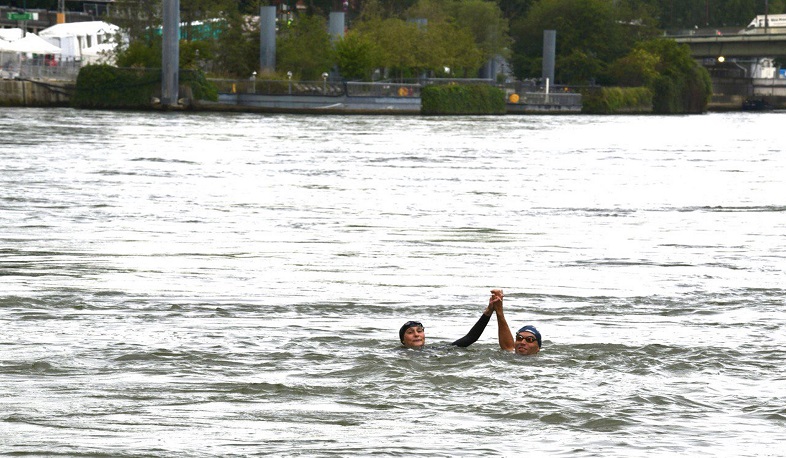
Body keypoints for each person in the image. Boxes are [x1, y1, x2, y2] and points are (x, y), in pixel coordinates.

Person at [399, 296, 494, 349]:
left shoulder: (435, 350)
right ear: (403, 340)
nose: (416, 334)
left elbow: (470, 338)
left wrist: (488, 313)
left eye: (419, 331)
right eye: (410, 332)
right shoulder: (396, 354)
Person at [489, 289, 542, 355]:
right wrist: (498, 309)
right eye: (519, 338)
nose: (522, 342)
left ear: (538, 348)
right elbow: (508, 347)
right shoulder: (510, 356)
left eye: (529, 340)